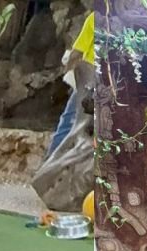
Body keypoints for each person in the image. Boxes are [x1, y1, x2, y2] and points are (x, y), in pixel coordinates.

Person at [46, 11, 94, 158]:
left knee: (69, 122)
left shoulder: (96, 17)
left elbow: (76, 53)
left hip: (89, 79)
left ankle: (49, 163)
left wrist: (67, 75)